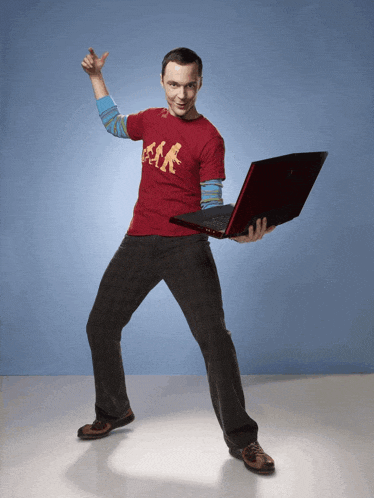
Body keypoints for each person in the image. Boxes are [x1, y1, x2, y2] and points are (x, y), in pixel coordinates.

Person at [79, 47, 276, 475]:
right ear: (162, 82)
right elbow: (114, 124)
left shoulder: (210, 138)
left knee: (215, 339)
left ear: (200, 84)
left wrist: (237, 235)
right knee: (101, 325)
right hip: (138, 241)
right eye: (173, 84)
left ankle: (244, 440)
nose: (181, 94)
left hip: (186, 246)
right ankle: (114, 410)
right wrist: (96, 77)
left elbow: (210, 206)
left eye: (189, 85)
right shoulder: (150, 120)